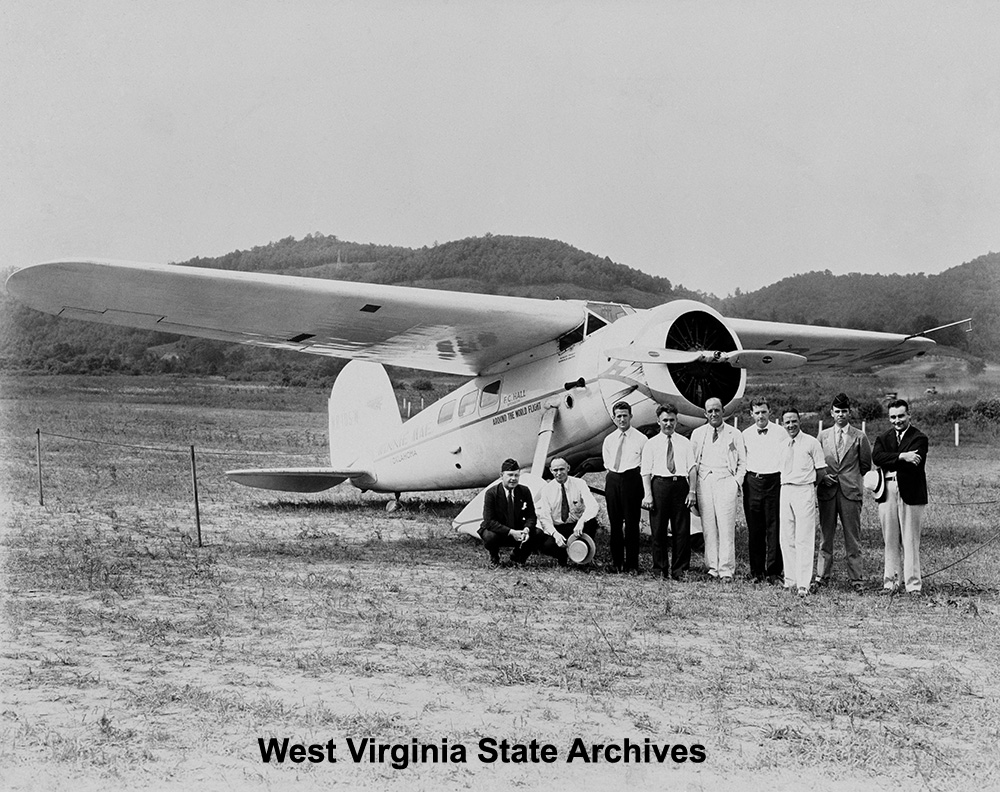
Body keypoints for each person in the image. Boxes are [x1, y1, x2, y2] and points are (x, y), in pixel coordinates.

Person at [816, 393, 872, 590]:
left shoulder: (859, 436)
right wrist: (824, 477)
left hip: (850, 493)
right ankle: (822, 577)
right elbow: (817, 462)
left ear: (850, 413)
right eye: (837, 411)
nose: (841, 415)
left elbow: (865, 464)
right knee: (826, 537)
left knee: (852, 538)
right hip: (827, 492)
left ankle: (856, 579)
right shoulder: (822, 436)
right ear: (832, 413)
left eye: (844, 411)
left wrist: (851, 479)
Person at [872, 399, 928, 594]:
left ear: (909, 415)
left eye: (901, 416)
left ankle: (913, 585)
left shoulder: (919, 438)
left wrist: (891, 460)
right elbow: (877, 458)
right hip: (887, 491)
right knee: (890, 539)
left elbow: (916, 464)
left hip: (910, 493)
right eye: (893, 417)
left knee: (910, 540)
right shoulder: (883, 438)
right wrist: (902, 456)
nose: (897, 420)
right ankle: (891, 583)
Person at [690, 397, 746, 580]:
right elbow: (692, 462)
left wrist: (735, 482)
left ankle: (726, 569)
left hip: (726, 481)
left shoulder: (734, 433)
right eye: (710, 411)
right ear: (705, 414)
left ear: (723, 411)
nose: (714, 414)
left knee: (726, 526)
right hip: (705, 481)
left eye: (717, 410)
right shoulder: (698, 434)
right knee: (708, 526)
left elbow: (742, 462)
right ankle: (712, 567)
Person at [641, 404, 698, 579]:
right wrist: (648, 494)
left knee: (682, 530)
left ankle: (680, 570)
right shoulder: (650, 444)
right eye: (665, 420)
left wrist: (692, 491)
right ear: (658, 421)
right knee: (658, 530)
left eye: (672, 420)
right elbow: (646, 471)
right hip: (659, 485)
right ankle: (660, 569)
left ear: (677, 421)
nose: (668, 424)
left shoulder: (685, 442)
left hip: (680, 486)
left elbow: (692, 469)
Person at [778, 410, 827, 597]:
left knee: (804, 538)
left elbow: (821, 471)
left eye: (794, 421)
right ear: (783, 424)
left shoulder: (811, 443)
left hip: (804, 489)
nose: (791, 425)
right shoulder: (782, 444)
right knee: (787, 536)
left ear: (800, 421)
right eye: (787, 422)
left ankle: (803, 584)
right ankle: (790, 580)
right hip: (785, 489)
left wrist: (808, 487)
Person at [741, 397, 788, 582]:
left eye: (764, 411)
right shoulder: (745, 435)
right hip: (753, 482)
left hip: (774, 482)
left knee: (774, 527)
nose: (761, 415)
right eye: (757, 412)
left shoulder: (781, 433)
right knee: (755, 528)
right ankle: (756, 572)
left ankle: (774, 572)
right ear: (751, 414)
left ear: (770, 412)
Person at [601, 401, 647, 573]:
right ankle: (617, 563)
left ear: (631, 416)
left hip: (632, 479)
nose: (622, 419)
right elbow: (607, 462)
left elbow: (644, 463)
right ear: (613, 418)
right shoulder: (609, 440)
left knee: (632, 523)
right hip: (613, 479)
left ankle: (632, 564)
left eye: (625, 416)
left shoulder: (641, 439)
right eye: (618, 416)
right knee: (615, 523)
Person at [536, 457, 600, 566]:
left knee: (591, 523)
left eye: (562, 469)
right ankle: (563, 556)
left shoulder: (580, 483)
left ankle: (583, 554)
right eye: (555, 470)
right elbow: (544, 518)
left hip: (576, 527)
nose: (559, 473)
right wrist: (555, 534)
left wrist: (581, 522)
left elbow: (593, 505)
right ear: (551, 471)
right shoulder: (547, 490)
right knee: (546, 545)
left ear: (568, 468)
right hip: (559, 527)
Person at [479, 458, 537, 567]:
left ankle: (519, 556)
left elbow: (531, 516)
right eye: (510, 475)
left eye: (516, 475)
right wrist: (511, 532)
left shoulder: (524, 491)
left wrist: (526, 529)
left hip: (519, 530)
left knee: (537, 534)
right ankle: (494, 555)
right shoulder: (492, 493)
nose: (513, 479)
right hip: (499, 532)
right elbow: (489, 521)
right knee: (489, 536)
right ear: (501, 476)